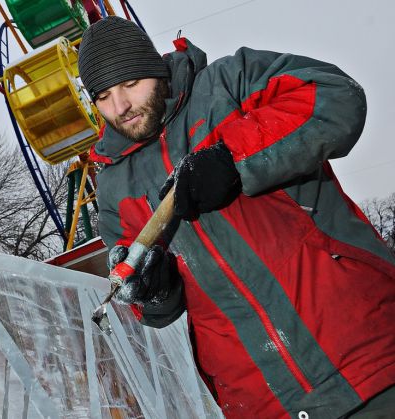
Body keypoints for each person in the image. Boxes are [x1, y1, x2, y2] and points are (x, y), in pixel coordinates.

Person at [78, 16, 395, 418]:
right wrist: (153, 291)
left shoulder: (228, 84)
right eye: (103, 96)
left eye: (129, 85)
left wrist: (234, 158)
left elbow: (336, 97)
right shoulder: (113, 185)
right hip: (261, 400)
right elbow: (154, 308)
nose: (119, 107)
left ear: (155, 69)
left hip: (368, 355)